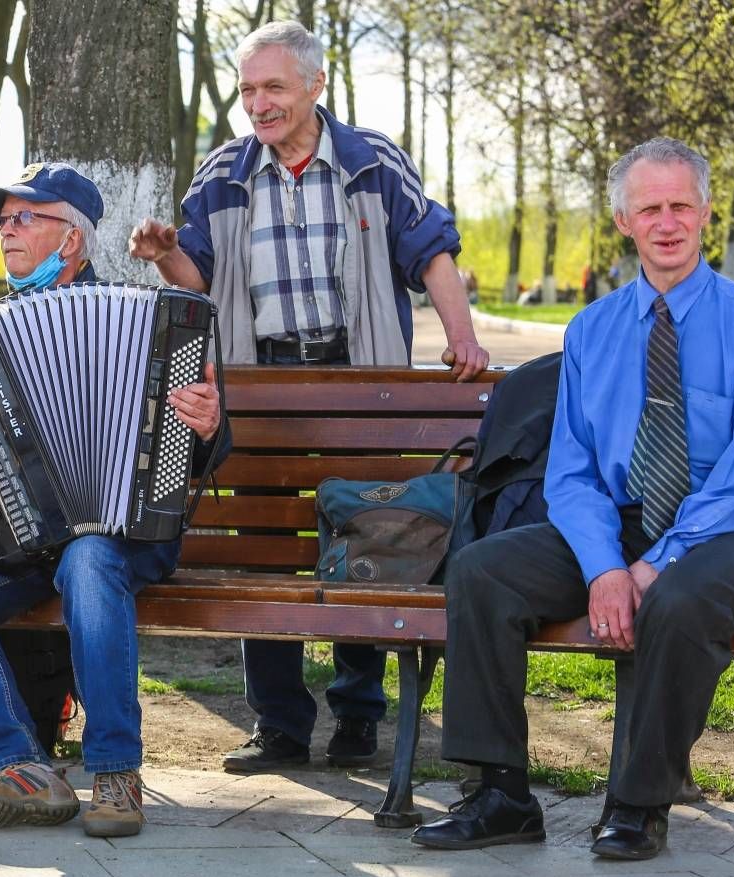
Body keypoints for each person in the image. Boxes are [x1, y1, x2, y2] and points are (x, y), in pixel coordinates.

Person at [412, 138, 734, 861]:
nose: (667, 221)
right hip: (619, 525)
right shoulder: (592, 329)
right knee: (484, 570)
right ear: (624, 220)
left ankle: (637, 803)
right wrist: (603, 567)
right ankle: (500, 794)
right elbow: (572, 473)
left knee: (679, 598)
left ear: (706, 213)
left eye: (682, 205)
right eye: (649, 207)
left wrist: (656, 564)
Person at [128, 20, 490, 774]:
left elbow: (433, 251)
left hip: (358, 384)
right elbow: (196, 279)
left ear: (315, 87)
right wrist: (167, 257)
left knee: (365, 537)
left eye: (274, 88)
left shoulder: (371, 161)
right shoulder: (223, 172)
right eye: (248, 90)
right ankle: (280, 725)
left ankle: (358, 714)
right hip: (260, 387)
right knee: (267, 551)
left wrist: (464, 338)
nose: (258, 105)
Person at [0, 163, 229, 838]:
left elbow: (209, 447)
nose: (5, 233)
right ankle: (20, 766)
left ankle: (114, 771)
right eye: (2, 222)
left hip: (126, 531)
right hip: (22, 537)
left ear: (71, 240)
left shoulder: (155, 322)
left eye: (24, 219)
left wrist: (205, 425)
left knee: (87, 557)